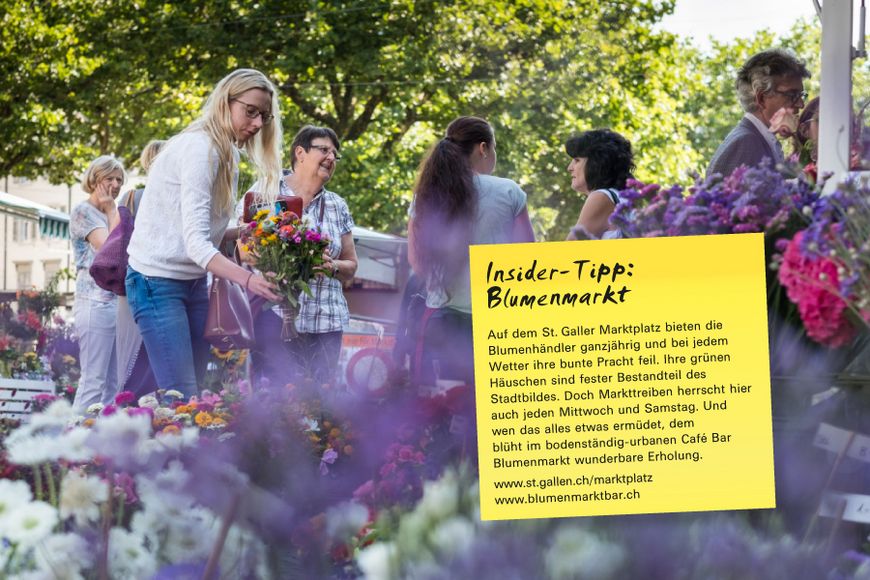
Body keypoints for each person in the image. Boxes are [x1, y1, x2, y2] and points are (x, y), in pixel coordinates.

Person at [125, 69, 282, 398]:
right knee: (181, 395)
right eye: (250, 111)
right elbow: (195, 244)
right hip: (156, 283)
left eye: (264, 117)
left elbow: (201, 231)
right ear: (226, 102)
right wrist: (250, 279)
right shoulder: (202, 150)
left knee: (193, 395)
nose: (256, 124)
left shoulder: (228, 154)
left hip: (194, 283)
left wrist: (243, 230)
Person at [408, 116, 535, 385]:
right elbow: (527, 261)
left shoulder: (427, 195)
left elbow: (417, 263)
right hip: (497, 324)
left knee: (443, 413)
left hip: (441, 321)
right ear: (482, 148)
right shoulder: (509, 192)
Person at [241, 125, 358, 386]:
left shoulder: (338, 205)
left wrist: (332, 265)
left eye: (335, 154)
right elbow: (242, 246)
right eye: (324, 150)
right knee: (271, 401)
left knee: (319, 409)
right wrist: (269, 265)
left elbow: (351, 265)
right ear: (300, 153)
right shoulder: (266, 191)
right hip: (273, 318)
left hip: (326, 322)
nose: (331, 157)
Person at [70, 155, 126, 413]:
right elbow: (110, 248)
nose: (115, 184)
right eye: (109, 178)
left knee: (114, 385)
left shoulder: (110, 213)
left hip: (114, 304)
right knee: (93, 381)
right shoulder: (85, 211)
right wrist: (113, 211)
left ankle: (102, 447)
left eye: (118, 179)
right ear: (95, 179)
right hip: (94, 303)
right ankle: (74, 445)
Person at [706, 48, 810, 179]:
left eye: (801, 95)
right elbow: (723, 199)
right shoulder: (745, 143)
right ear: (761, 98)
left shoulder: (756, 139)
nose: (801, 104)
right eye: (792, 95)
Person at [114, 139, 165, 396]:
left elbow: (117, 239)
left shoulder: (130, 197)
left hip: (133, 280)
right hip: (165, 281)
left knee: (130, 353)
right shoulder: (173, 198)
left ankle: (127, 403)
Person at [564, 129, 635, 240]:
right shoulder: (622, 198)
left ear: (596, 163)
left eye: (577, 160)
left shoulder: (602, 197)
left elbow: (569, 253)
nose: (569, 168)